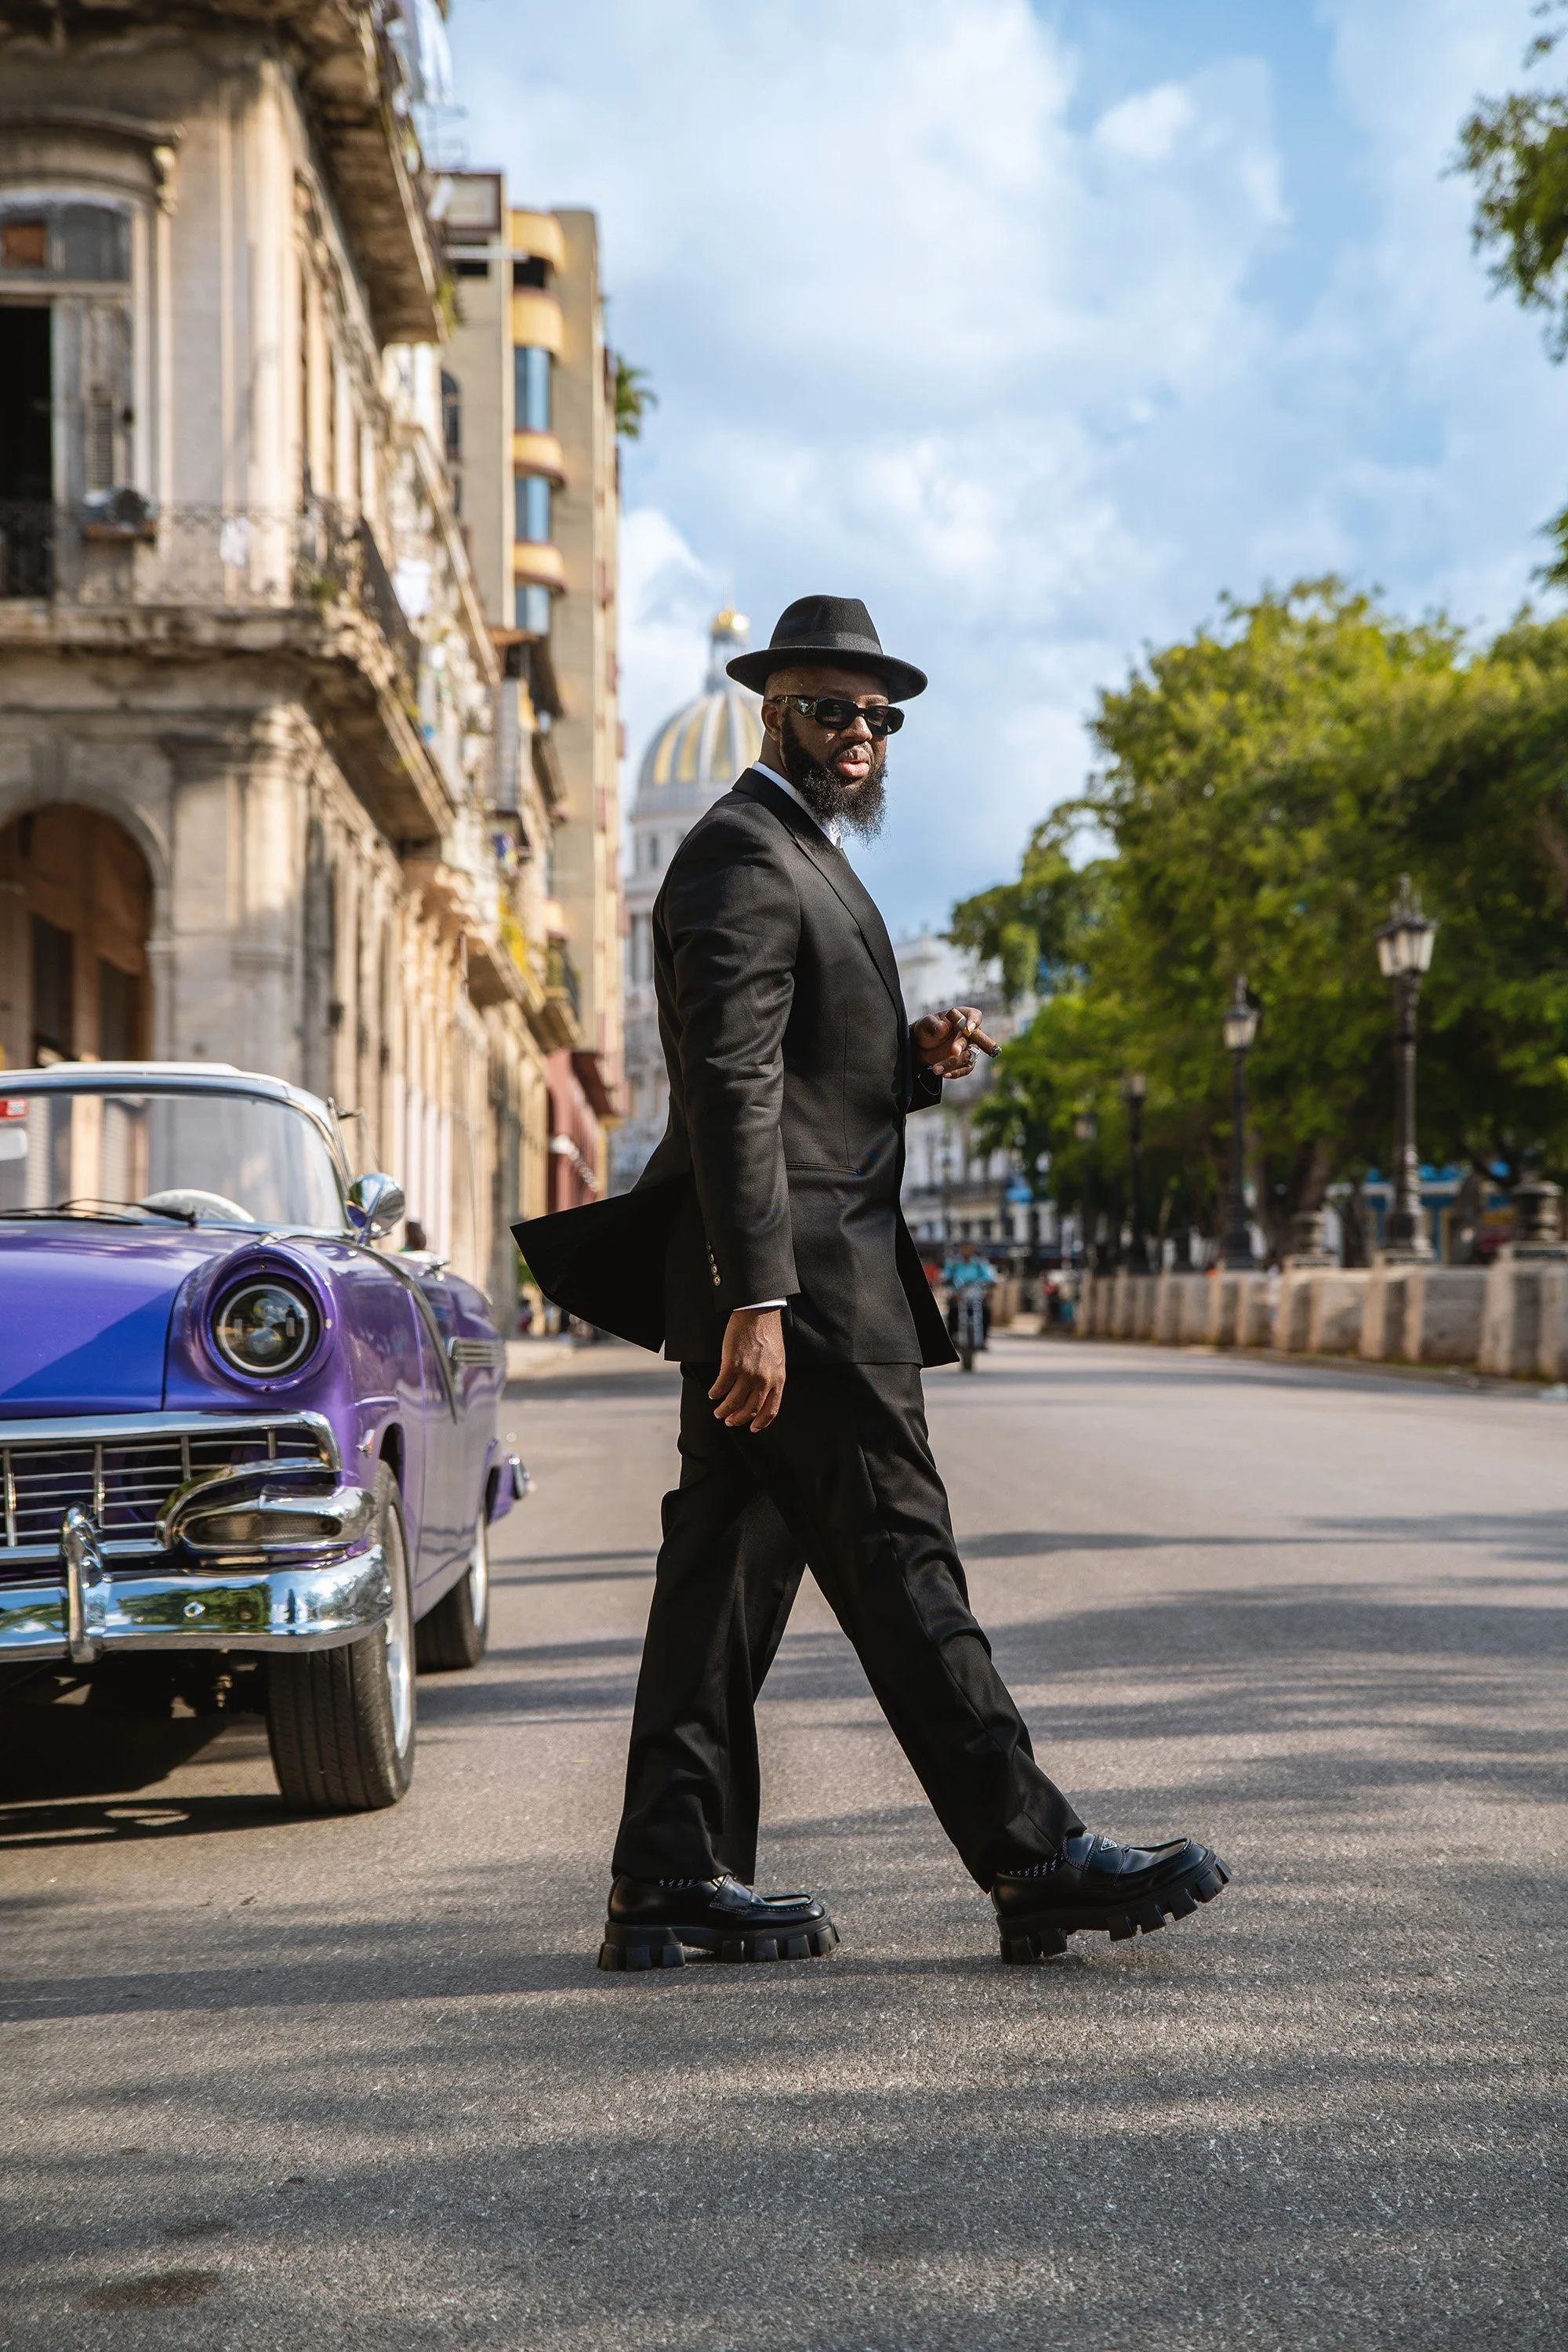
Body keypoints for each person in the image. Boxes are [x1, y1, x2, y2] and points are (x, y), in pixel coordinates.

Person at [514, 594, 1229, 1970]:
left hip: (807, 1278)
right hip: (812, 1295)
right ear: (769, 711)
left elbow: (803, 1077)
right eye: (830, 709)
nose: (858, 735)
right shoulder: (738, 855)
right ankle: (1034, 1858)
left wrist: (910, 1061)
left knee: (719, 1577)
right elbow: (726, 1091)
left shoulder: (799, 852)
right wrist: (759, 1300)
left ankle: (668, 1875)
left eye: (878, 716)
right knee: (904, 1560)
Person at [942, 1238, 997, 1346]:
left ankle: (983, 1339)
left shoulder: (980, 1264)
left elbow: (990, 1277)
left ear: (973, 1249)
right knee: (952, 1312)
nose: (966, 1250)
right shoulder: (953, 1263)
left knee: (986, 1311)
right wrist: (946, 1281)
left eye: (969, 1247)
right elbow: (945, 1276)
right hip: (958, 1296)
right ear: (960, 1249)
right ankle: (951, 1341)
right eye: (964, 1247)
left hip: (976, 1297)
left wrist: (988, 1285)